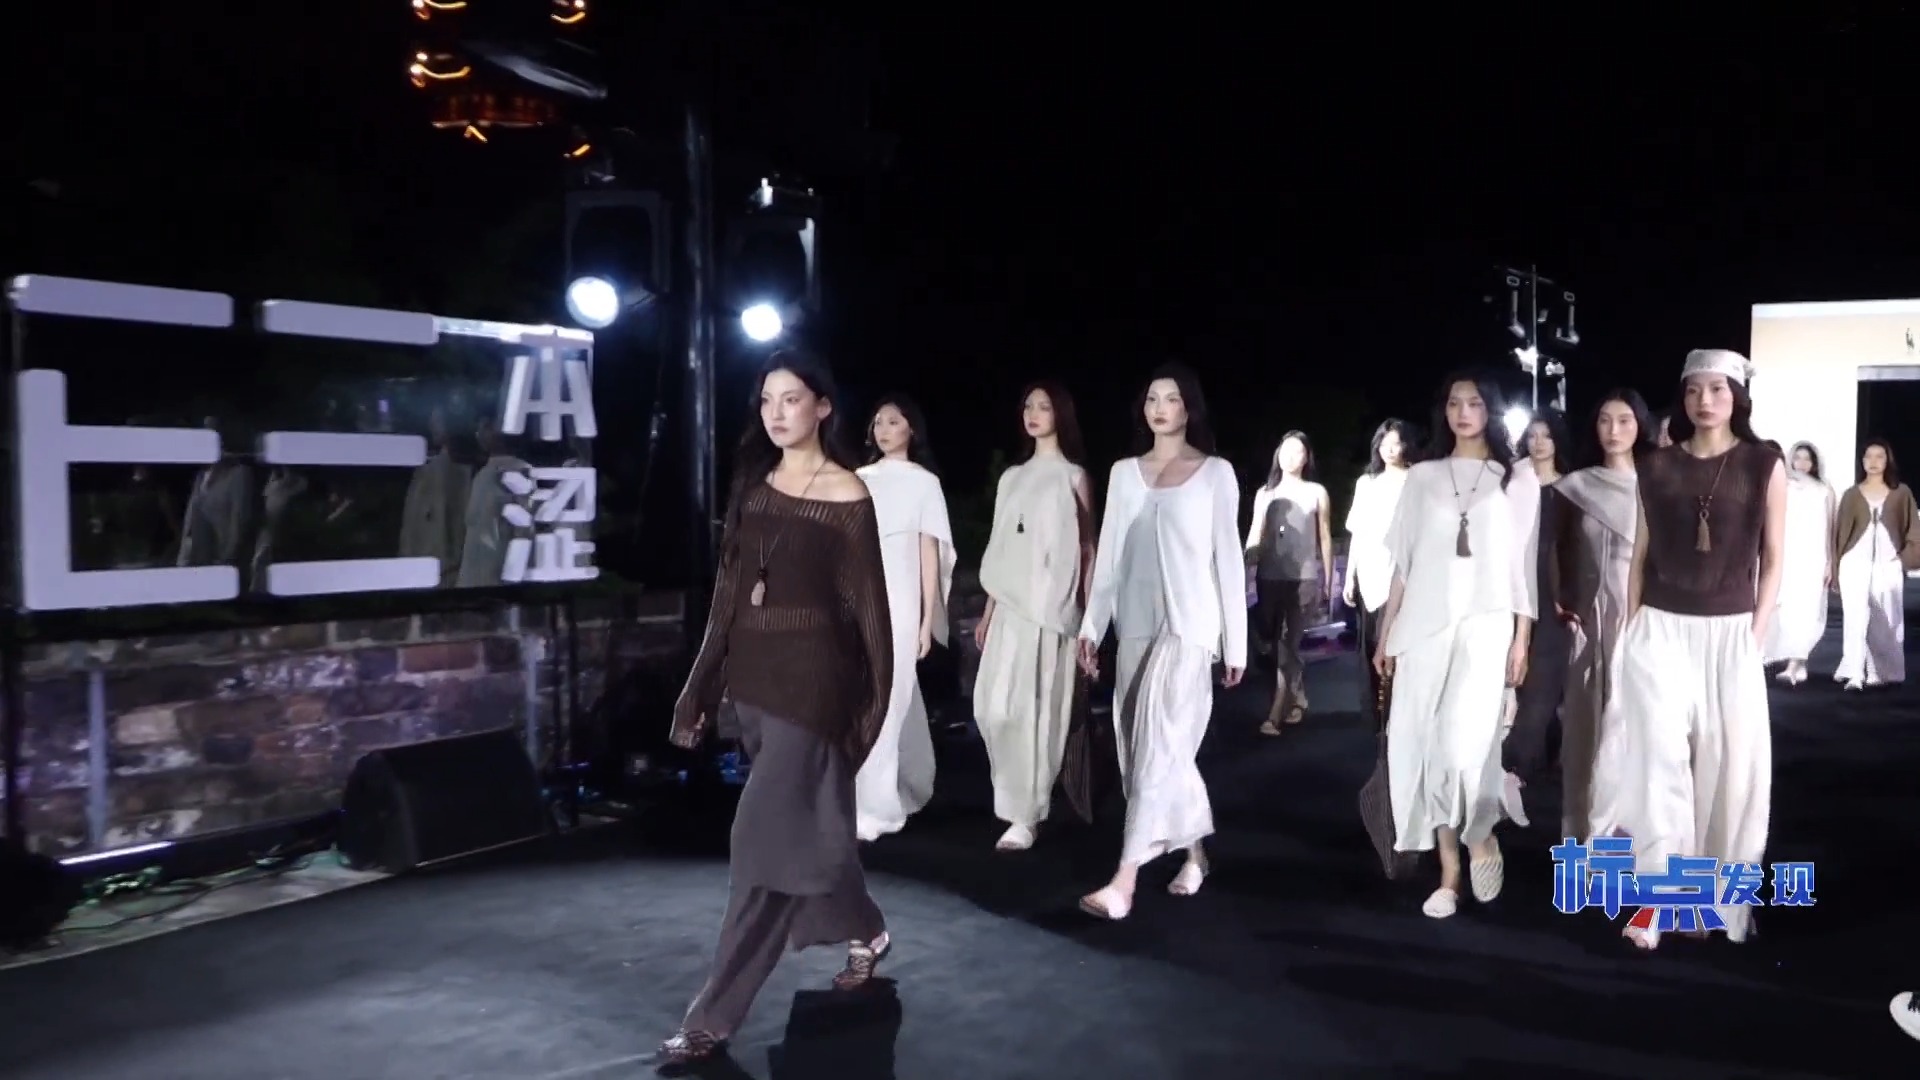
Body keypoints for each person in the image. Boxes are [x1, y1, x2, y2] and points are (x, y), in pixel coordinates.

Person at [657, 350, 894, 1068]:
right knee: (812, 837)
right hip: (755, 689)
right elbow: (728, 598)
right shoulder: (755, 488)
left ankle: (712, 1017)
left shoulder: (848, 495)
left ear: (823, 406)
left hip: (816, 691)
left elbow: (871, 617)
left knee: (760, 845)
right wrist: (699, 687)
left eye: (791, 398)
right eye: (766, 400)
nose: (776, 412)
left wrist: (867, 717)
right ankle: (866, 927)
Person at [1589, 349, 1784, 950]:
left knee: (1727, 769)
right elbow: (1640, 556)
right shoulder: (1656, 466)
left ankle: (1709, 896)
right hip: (1660, 629)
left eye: (1718, 389)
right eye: (1695, 389)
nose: (1705, 400)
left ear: (1737, 397)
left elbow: (1775, 558)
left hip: (1730, 634)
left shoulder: (1763, 463)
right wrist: (1631, 628)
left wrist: (1754, 635)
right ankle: (1655, 901)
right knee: (1658, 764)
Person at [1076, 363, 1245, 920]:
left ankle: (1123, 881)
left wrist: (1236, 645)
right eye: (1152, 398)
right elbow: (1108, 556)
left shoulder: (1215, 473)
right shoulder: (1124, 473)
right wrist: (1092, 627)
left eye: (1171, 399)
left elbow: (1228, 559)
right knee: (1142, 750)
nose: (1159, 408)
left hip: (1190, 627)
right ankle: (1195, 853)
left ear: (1188, 408)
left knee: (1158, 746)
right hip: (1135, 623)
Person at [1372, 372, 1538, 919]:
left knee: (1466, 745)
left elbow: (1522, 569)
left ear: (1491, 410)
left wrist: (1522, 637)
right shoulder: (1422, 477)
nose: (1463, 412)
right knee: (1427, 747)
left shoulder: (1516, 479)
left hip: (1486, 625)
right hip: (1424, 625)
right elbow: (1404, 563)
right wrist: (1386, 632)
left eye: (1474, 403)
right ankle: (1449, 871)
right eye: (1453, 403)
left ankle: (1481, 833)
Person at [973, 382, 1093, 851]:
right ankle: (1012, 799)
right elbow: (1002, 545)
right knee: (992, 708)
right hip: (1010, 607)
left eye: (1044, 406)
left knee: (1035, 712)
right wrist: (988, 611)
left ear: (1061, 414)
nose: (1034, 413)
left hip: (1051, 611)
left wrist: (1089, 621)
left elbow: (1087, 549)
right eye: (1028, 406)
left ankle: (1026, 814)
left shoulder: (1073, 476)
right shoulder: (1011, 478)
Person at [1550, 389, 1654, 841]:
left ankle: (1633, 835)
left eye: (1624, 420)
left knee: (1633, 728)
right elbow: (1555, 551)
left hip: (1643, 618)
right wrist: (1561, 601)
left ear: (1640, 426)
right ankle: (1586, 833)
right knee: (1587, 727)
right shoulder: (1576, 486)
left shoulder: (1656, 483)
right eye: (1605, 420)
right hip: (1592, 620)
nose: (1614, 431)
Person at [853, 394, 955, 842]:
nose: (884, 429)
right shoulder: (858, 479)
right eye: (878, 422)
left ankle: (877, 805)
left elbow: (929, 552)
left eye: (893, 422)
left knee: (889, 700)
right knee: (862, 699)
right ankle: (870, 795)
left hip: (900, 601)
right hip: (859, 598)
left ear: (911, 428)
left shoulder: (923, 483)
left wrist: (926, 618)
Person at [1505, 409, 1573, 823]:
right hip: (1515, 587)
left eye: (1546, 435)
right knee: (1523, 678)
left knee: (1543, 680)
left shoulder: (1573, 486)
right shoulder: (1513, 481)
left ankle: (1515, 766)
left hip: (1556, 593)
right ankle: (1536, 756)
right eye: (1532, 435)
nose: (1538, 442)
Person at [1244, 430, 1333, 734]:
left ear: (1307, 458)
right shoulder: (1265, 493)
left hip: (1303, 580)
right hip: (1269, 578)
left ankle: (1274, 715)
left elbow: (1324, 537)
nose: (1291, 457)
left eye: (1298, 451)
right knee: (1274, 644)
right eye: (1286, 450)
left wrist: (1328, 580)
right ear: (1277, 454)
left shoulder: (1316, 492)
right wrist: (1247, 558)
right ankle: (1298, 696)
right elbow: (1256, 532)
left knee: (1286, 643)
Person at [1343, 419, 1414, 731]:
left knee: (1396, 644)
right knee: (1371, 645)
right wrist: (1349, 576)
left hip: (1400, 574)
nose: (1390, 450)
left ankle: (1399, 715)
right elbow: (1358, 533)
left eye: (1396, 443)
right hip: (1369, 573)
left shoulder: (1415, 480)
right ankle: (1376, 715)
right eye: (1384, 444)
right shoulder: (1367, 483)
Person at [1833, 439, 1918, 690]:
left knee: (1889, 617)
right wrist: (1836, 567)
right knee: (1855, 617)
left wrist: (1905, 558)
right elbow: (1840, 534)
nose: (1873, 462)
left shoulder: (1901, 493)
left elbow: (1913, 529)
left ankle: (1882, 670)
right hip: (1854, 563)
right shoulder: (1852, 494)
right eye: (1868, 456)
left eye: (1879, 456)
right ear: (1862, 461)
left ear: (1887, 461)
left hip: (1888, 563)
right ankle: (1855, 672)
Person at [1766, 441, 1836, 685]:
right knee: (1787, 610)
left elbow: (1831, 528)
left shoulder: (1825, 489)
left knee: (1808, 610)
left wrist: (1830, 561)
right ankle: (1795, 663)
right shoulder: (1784, 486)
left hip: (1814, 556)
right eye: (1798, 458)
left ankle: (1796, 663)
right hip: (1790, 554)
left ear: (1815, 462)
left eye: (1807, 459)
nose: (1802, 463)